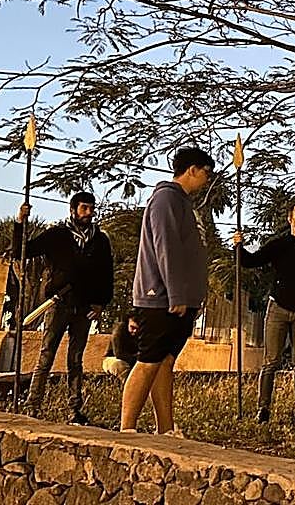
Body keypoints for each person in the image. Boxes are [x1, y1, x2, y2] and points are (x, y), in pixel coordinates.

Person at [120, 146, 215, 435]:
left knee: (165, 362)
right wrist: (175, 294)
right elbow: (166, 249)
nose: (206, 181)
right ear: (192, 170)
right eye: (205, 174)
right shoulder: (165, 201)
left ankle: (166, 428)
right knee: (148, 361)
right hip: (160, 299)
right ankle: (126, 428)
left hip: (180, 298)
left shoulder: (183, 204)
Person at [16, 191, 113, 424]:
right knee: (46, 356)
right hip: (59, 304)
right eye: (84, 208)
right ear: (73, 210)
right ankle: (32, 406)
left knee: (76, 360)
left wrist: (101, 303)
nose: (88, 213)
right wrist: (21, 221)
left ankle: (74, 410)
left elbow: (107, 274)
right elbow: (24, 251)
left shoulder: (100, 240)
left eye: (91, 208)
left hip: (84, 308)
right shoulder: (57, 235)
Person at [233, 203, 295, 426]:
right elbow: (251, 261)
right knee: (270, 361)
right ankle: (263, 409)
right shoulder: (278, 245)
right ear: (291, 219)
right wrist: (238, 247)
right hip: (278, 308)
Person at [102, 313, 141, 381]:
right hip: (113, 358)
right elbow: (119, 354)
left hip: (134, 359)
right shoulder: (119, 330)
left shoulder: (144, 332)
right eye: (132, 327)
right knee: (121, 366)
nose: (135, 331)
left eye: (138, 328)